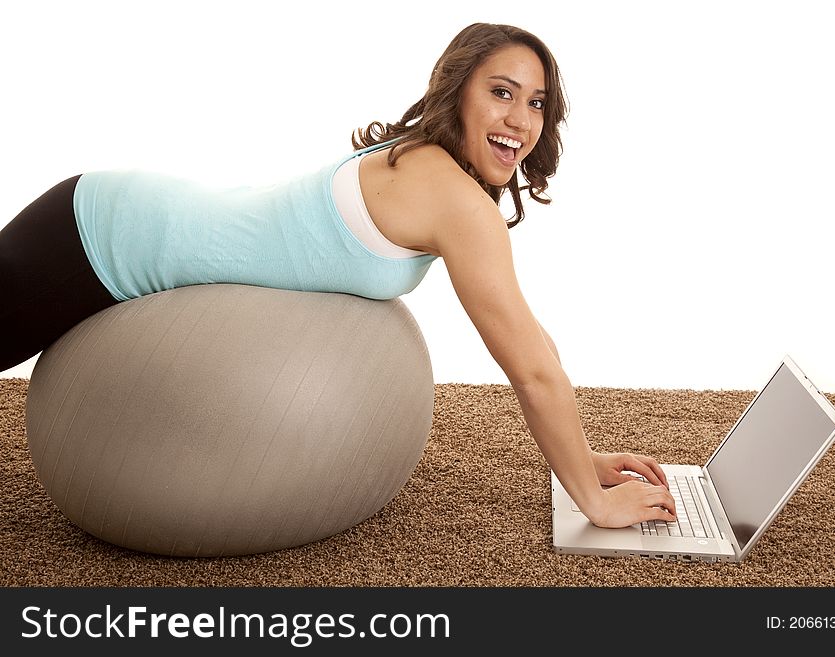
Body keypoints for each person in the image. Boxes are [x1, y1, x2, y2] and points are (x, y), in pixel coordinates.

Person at [0, 23, 676, 529]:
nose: (519, 120)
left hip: (111, 219)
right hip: (102, 237)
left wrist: (583, 459)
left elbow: (533, 339)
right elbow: (530, 367)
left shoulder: (426, 162)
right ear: (457, 90)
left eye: (536, 102)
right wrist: (591, 502)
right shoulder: (458, 203)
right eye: (501, 92)